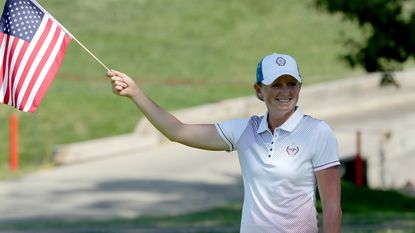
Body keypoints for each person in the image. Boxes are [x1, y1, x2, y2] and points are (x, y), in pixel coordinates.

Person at [107, 53, 342, 233]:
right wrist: (135, 93)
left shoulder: (317, 132)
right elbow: (178, 131)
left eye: (292, 83)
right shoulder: (245, 130)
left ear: (299, 86)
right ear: (259, 91)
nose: (285, 91)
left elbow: (332, 207)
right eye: (276, 84)